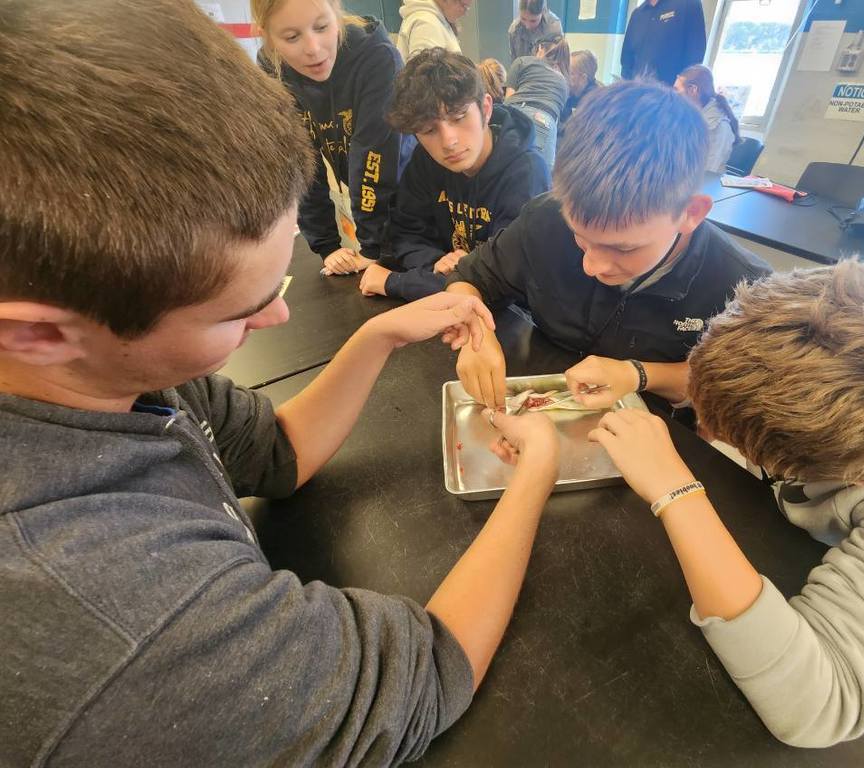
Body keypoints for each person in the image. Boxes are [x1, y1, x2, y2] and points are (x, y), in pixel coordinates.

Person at [0, 2, 560, 764]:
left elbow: (272, 452)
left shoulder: (104, 373)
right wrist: (535, 474)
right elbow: (424, 674)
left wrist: (382, 331)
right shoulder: (121, 618)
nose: (280, 316)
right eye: (239, 309)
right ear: (39, 330)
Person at [590, 261, 864, 747]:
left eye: (732, 440)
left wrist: (676, 490)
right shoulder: (841, 314)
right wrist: (642, 376)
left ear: (854, 475)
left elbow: (820, 709)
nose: (706, 431)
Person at [446, 80, 769, 411]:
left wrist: (638, 375)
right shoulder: (544, 219)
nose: (592, 266)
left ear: (690, 213)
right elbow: (467, 278)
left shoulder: (745, 289)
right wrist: (476, 335)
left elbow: (730, 388)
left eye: (623, 249)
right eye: (580, 238)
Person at [360, 50, 550, 302]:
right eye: (428, 130)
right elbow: (405, 233)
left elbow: (501, 283)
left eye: (459, 117)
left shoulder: (527, 173)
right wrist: (437, 262)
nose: (449, 141)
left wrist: (395, 282)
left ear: (485, 108)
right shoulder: (424, 162)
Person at [255, 0, 412, 276]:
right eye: (292, 37)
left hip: (409, 207)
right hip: (359, 209)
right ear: (266, 35)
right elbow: (298, 160)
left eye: (322, 27)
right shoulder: (272, 69)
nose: (313, 49)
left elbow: (373, 159)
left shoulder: (377, 57)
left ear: (336, 11)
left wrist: (373, 249)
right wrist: (326, 245)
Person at [505, 35, 571, 169]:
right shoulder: (564, 82)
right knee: (541, 180)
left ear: (540, 48)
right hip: (546, 122)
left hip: (518, 111)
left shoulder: (522, 61)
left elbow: (508, 99)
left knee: (506, 170)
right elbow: (556, 118)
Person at [621, 0, 706, 86]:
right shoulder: (637, 14)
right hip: (638, 92)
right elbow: (626, 59)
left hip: (669, 95)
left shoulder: (689, 4)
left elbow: (695, 56)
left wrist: (679, 91)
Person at [675, 64, 739, 174]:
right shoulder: (690, 117)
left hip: (703, 186)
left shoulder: (718, 126)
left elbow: (708, 172)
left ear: (693, 90)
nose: (673, 95)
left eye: (677, 90)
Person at [397, 0, 470, 60]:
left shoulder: (436, 20)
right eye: (464, 6)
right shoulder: (427, 24)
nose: (465, 13)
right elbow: (424, 74)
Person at [562, 49, 602, 131]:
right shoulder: (572, 93)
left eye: (570, 73)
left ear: (583, 78)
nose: (564, 75)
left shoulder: (593, 104)